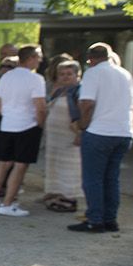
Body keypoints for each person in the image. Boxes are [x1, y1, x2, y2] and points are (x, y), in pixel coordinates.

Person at [71, 41, 133, 233]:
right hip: (123, 131)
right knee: (112, 178)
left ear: (90, 59)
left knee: (93, 178)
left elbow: (86, 103)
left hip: (99, 131)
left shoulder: (93, 73)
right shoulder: (125, 74)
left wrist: (83, 125)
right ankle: (110, 219)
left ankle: (95, 219)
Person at [0, 44, 47, 217]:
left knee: (3, 163)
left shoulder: (6, 77)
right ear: (31, 58)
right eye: (39, 57)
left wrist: (9, 116)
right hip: (27, 125)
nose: (41, 60)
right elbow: (40, 107)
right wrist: (40, 124)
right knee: (20, 166)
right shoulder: (36, 79)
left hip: (7, 124)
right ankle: (8, 203)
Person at [40, 56, 83, 213]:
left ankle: (69, 199)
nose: (65, 77)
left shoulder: (79, 91)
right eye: (62, 74)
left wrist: (80, 133)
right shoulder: (59, 91)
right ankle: (57, 193)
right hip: (55, 137)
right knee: (55, 165)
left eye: (69, 74)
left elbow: (83, 114)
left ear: (77, 75)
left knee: (70, 166)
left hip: (70, 136)